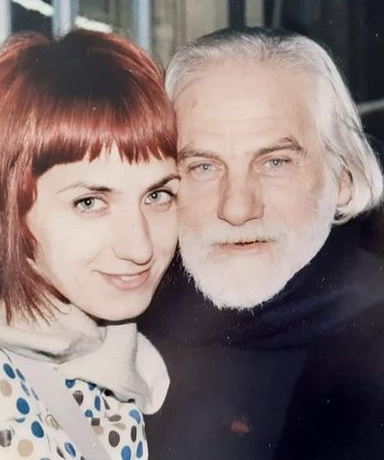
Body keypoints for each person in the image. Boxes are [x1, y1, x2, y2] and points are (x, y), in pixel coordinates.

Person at [0, 29, 179, 459]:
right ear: (4, 210)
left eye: (158, 195)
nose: (139, 247)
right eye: (90, 202)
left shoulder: (124, 364)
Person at [140, 27, 384, 460]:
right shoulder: (117, 325)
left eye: (275, 162)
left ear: (344, 179)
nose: (237, 208)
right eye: (203, 167)